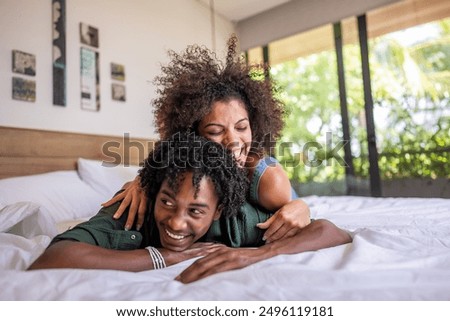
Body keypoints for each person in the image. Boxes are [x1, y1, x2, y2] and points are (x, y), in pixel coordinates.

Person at [28, 132, 351, 283]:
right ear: (153, 192)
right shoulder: (132, 209)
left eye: (196, 211)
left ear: (219, 210)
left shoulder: (235, 222)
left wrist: (255, 254)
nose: (177, 223)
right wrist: (166, 256)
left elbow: (331, 231)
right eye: (167, 202)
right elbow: (53, 258)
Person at [103, 35, 311, 243]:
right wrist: (141, 182)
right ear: (191, 136)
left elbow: (296, 221)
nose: (234, 141)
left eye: (241, 127)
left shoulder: (269, 181)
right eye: (215, 131)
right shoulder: (184, 161)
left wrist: (301, 207)